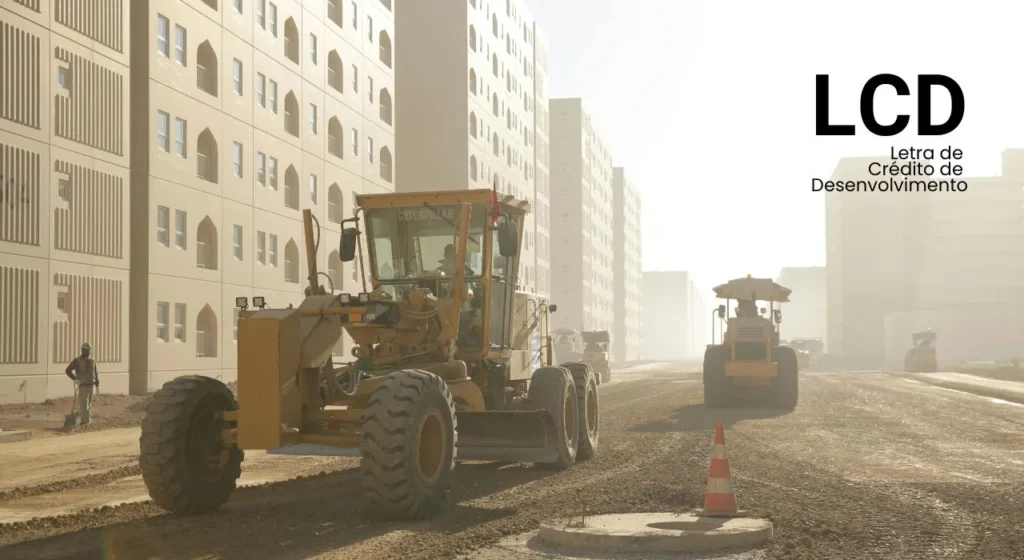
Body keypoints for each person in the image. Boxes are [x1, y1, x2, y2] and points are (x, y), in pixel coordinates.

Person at [65, 343, 99, 426]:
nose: (88, 352)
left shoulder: (92, 360)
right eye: (87, 351)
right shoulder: (77, 361)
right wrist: (75, 379)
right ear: (83, 350)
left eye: (89, 351)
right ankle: (86, 421)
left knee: (89, 403)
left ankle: (86, 420)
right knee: (84, 403)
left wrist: (97, 385)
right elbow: (68, 370)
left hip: (90, 385)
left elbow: (95, 372)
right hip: (83, 385)